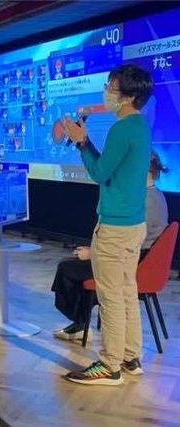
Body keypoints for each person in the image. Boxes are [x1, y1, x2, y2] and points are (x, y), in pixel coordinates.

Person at [63, 64, 154, 386]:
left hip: (114, 227)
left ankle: (109, 365)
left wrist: (82, 143)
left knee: (111, 296)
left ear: (128, 96)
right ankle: (129, 356)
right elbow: (113, 168)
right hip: (133, 224)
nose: (106, 92)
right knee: (127, 291)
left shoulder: (122, 129)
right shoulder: (140, 125)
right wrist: (86, 142)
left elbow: (100, 173)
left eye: (110, 87)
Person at [51, 152, 169, 341]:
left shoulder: (145, 201)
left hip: (131, 263)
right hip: (137, 259)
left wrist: (92, 254)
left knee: (67, 269)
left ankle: (80, 322)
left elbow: (128, 241)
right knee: (73, 266)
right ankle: (80, 322)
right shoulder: (155, 195)